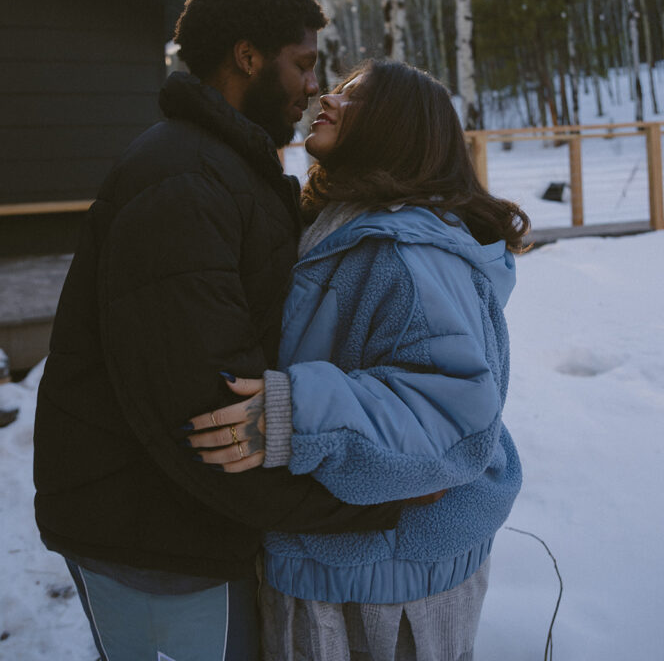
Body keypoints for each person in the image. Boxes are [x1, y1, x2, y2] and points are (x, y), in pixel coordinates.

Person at [32, 0, 403, 661]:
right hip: (150, 537)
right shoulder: (185, 183)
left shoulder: (223, 167)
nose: (309, 87)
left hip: (178, 523)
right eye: (301, 64)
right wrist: (374, 505)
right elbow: (209, 418)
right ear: (247, 56)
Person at [186, 59, 530, 661]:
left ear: (399, 128)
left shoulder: (407, 252)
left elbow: (454, 415)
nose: (326, 97)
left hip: (388, 586)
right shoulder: (347, 226)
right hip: (353, 557)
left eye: (356, 97)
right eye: (338, 87)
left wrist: (296, 415)